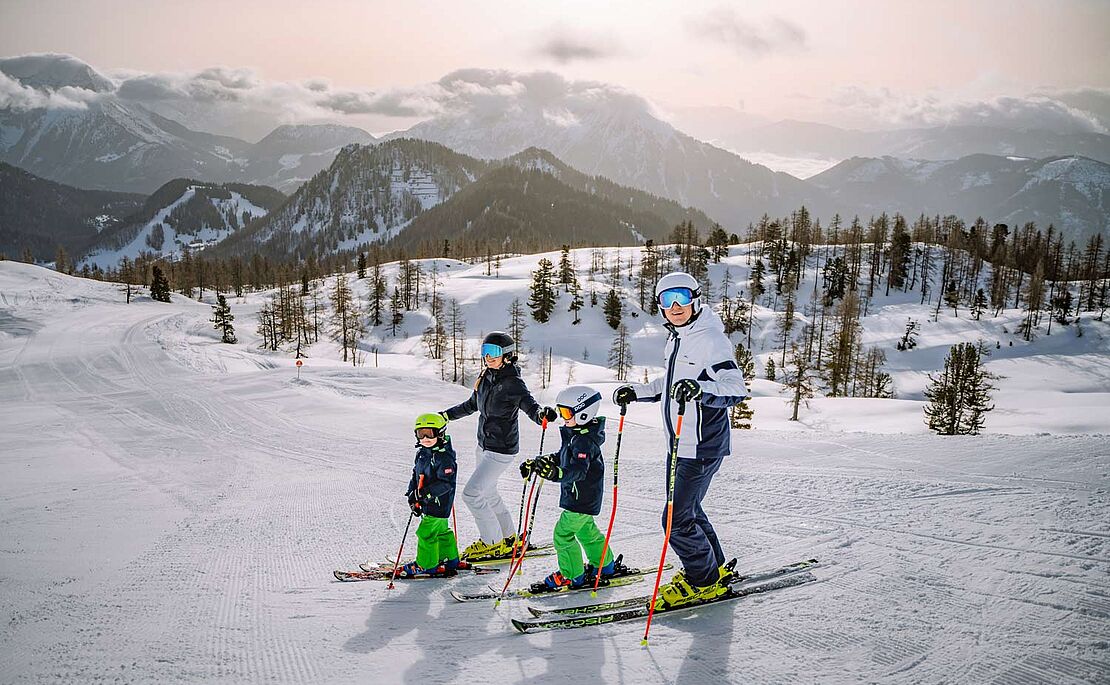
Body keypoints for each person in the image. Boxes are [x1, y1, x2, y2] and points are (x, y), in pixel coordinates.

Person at [613, 271, 749, 608]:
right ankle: (713, 570)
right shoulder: (678, 338)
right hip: (679, 444)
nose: (675, 306)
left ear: (696, 299)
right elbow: (671, 383)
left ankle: (702, 580)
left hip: (701, 445)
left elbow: (735, 389)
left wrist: (700, 390)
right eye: (667, 299)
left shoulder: (710, 339)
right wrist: (639, 392)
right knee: (689, 510)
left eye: (682, 298)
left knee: (675, 520)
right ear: (659, 306)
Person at [440, 331, 557, 561]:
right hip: (483, 445)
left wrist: (541, 414)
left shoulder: (513, 383)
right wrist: (445, 416)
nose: (488, 357)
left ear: (507, 355)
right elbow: (471, 405)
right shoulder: (486, 378)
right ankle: (509, 538)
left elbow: (530, 406)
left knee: (472, 494)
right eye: (484, 352)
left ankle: (491, 543)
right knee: (489, 493)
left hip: (501, 449)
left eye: (493, 352)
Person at [519, 385, 623, 591]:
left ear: (584, 412)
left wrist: (555, 473)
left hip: (581, 498)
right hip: (583, 497)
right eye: (561, 411)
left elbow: (578, 470)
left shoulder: (584, 440)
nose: (563, 417)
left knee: (562, 534)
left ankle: (572, 575)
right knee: (587, 532)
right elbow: (563, 457)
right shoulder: (576, 434)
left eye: (567, 412)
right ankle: (605, 565)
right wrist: (541, 462)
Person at [399, 413, 460, 577]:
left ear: (440, 433)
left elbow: (446, 483)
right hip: (429, 503)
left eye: (429, 433)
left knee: (426, 533)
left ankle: (426, 564)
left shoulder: (444, 457)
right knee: (441, 532)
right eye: (421, 434)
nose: (425, 438)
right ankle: (449, 558)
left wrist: (425, 494)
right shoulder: (423, 453)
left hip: (438, 503)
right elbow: (415, 475)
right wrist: (412, 495)